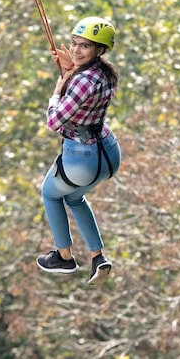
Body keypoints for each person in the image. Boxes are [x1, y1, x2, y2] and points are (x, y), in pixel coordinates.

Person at [36, 16, 122, 285]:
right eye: (74, 43)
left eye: (85, 46)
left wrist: (58, 90)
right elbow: (84, 98)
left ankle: (64, 256)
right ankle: (98, 256)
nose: (76, 50)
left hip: (81, 159)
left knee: (50, 194)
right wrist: (71, 69)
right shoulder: (105, 75)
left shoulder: (83, 80)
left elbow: (54, 121)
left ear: (100, 50)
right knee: (73, 199)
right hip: (107, 153)